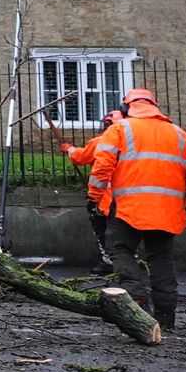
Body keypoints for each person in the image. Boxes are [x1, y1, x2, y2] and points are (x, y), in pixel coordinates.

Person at [87, 88, 186, 333]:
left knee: (120, 249)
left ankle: (137, 299)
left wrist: (94, 197)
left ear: (125, 108)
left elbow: (102, 166)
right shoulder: (179, 134)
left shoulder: (119, 130)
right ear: (155, 106)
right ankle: (166, 317)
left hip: (129, 208)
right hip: (167, 211)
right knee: (161, 258)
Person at [60, 108, 123, 273]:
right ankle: (129, 262)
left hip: (104, 198)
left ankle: (108, 262)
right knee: (126, 234)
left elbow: (80, 157)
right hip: (128, 198)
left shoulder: (100, 142)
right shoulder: (134, 144)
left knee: (102, 231)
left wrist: (68, 148)